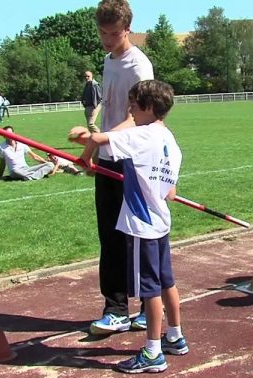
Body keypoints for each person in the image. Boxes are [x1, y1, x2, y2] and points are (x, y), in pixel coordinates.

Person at [70, 79, 185, 373]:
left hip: (142, 225)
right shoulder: (171, 141)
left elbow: (97, 141)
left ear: (148, 107)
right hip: (161, 222)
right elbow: (170, 193)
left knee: (150, 289)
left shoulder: (141, 135)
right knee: (166, 281)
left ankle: (152, 353)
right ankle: (175, 336)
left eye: (133, 104)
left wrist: (84, 161)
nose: (129, 109)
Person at [80, 0, 155, 335]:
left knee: (133, 237)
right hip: (109, 155)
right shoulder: (108, 62)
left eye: (113, 34)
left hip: (132, 160)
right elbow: (111, 112)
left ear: (127, 30)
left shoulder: (138, 67)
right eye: (102, 33)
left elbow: (136, 118)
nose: (107, 40)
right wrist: (94, 150)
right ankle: (115, 309)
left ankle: (146, 305)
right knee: (109, 236)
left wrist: (101, 140)